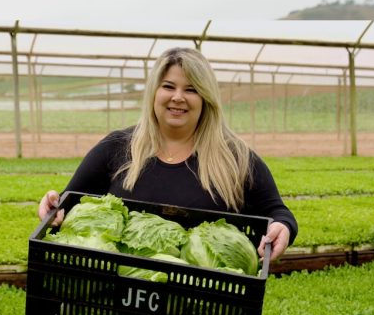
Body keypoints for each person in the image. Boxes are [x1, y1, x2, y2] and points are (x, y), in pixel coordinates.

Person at [39, 47, 297, 261]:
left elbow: (277, 212)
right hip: (117, 296)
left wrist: (282, 227)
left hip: (203, 300)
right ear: (154, 92)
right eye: (168, 86)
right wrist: (53, 205)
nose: (178, 98)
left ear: (206, 98)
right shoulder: (117, 147)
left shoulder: (236, 158)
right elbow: (66, 204)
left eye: (191, 89)